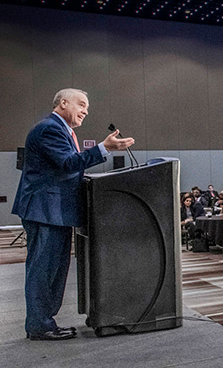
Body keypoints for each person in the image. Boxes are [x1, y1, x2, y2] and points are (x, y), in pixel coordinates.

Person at [12, 88, 134, 340]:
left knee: (53, 270)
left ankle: (44, 322)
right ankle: (39, 325)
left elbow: (68, 167)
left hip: (53, 212)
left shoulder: (62, 130)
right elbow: (68, 164)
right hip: (45, 212)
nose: (86, 111)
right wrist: (104, 148)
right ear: (63, 103)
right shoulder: (50, 128)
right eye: (82, 105)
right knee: (44, 270)